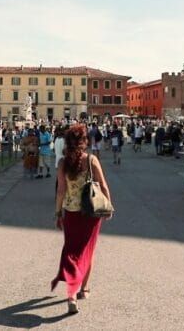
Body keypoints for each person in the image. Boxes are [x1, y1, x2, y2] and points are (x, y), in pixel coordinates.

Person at [52, 124, 113, 314]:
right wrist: (109, 206)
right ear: (84, 141)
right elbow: (103, 185)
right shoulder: (92, 159)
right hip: (91, 212)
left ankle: (71, 294)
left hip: (71, 212)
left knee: (72, 251)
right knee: (88, 250)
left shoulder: (63, 163)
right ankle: (84, 289)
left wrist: (57, 212)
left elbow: (61, 190)